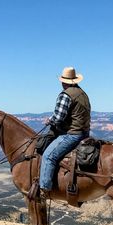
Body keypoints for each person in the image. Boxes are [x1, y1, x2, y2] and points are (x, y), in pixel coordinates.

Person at [39, 66, 91, 200]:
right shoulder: (83, 94)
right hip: (85, 133)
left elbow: (58, 117)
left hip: (72, 134)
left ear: (64, 81)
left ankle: (44, 189)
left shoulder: (66, 95)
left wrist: (49, 121)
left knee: (48, 156)